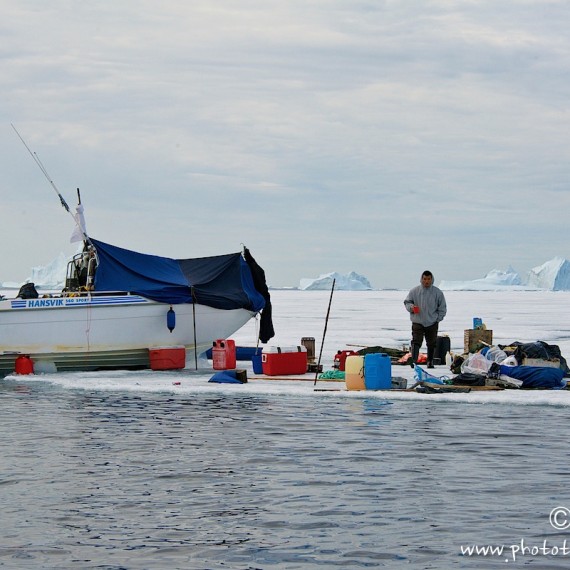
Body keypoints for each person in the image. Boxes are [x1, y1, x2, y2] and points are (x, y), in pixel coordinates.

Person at [404, 270, 447, 368]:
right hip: (417, 321)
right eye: (424, 279)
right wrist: (411, 308)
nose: (426, 281)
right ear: (421, 279)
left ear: (432, 280)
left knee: (431, 343)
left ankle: (430, 362)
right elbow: (407, 302)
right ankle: (414, 361)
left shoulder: (437, 293)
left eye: (428, 279)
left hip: (432, 321)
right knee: (416, 341)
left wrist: (438, 318)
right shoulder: (414, 291)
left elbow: (442, 307)